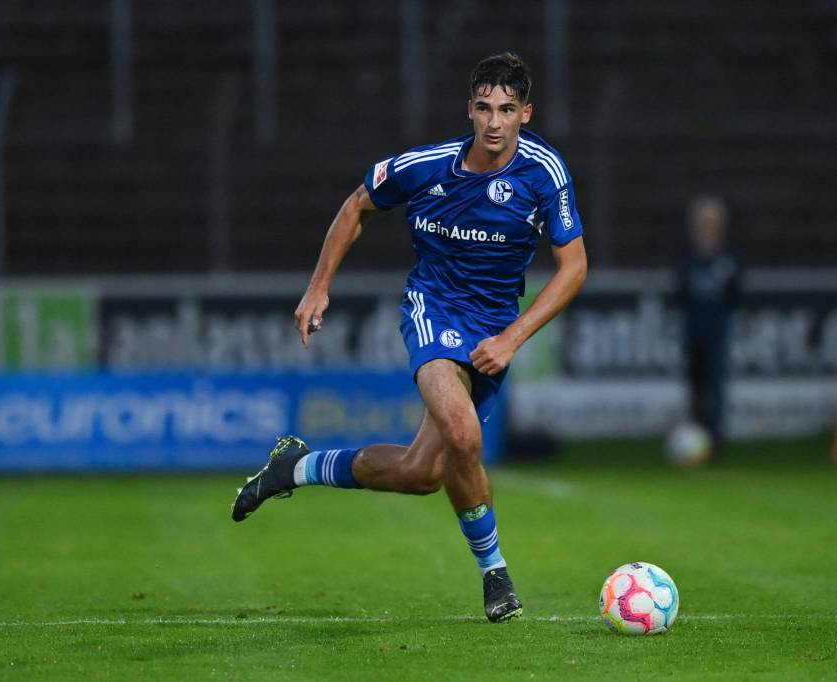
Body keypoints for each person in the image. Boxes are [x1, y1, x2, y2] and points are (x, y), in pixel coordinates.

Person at [230, 53, 587, 623]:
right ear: (469, 109)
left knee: (423, 473)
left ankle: (295, 467)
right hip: (434, 307)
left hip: (495, 325)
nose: (495, 122)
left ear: (526, 113)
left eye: (508, 110)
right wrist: (318, 287)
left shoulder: (545, 172)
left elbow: (573, 268)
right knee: (463, 433)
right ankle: (495, 574)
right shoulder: (427, 167)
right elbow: (356, 207)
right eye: (485, 108)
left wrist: (514, 338)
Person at [675, 196, 741, 459]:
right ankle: (697, 435)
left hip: (717, 335)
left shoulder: (728, 263)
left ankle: (715, 441)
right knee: (695, 388)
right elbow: (679, 295)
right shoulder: (687, 262)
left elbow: (736, 296)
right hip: (693, 334)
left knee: (715, 388)